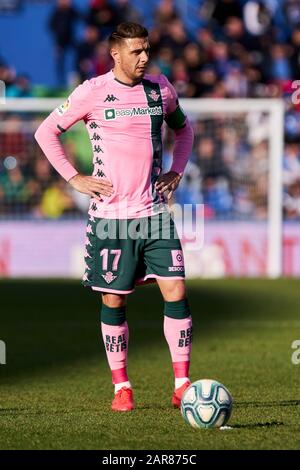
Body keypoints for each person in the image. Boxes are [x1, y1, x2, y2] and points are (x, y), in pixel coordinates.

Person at [35, 22, 194, 412]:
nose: (144, 57)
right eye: (136, 51)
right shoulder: (92, 92)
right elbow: (45, 132)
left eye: (146, 50)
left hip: (154, 213)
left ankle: (183, 383)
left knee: (176, 291)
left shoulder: (160, 89)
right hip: (111, 218)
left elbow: (184, 130)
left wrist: (177, 170)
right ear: (116, 54)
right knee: (114, 301)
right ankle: (122, 386)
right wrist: (74, 177)